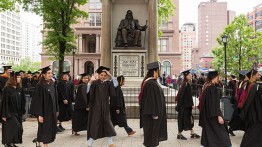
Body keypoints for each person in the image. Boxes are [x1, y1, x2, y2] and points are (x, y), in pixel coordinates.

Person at [87, 66, 118, 147]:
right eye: (101, 75)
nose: (103, 77)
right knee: (95, 125)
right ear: (98, 75)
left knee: (108, 124)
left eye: (104, 75)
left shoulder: (107, 83)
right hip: (96, 108)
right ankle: (89, 144)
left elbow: (116, 84)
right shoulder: (94, 83)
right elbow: (87, 92)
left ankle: (110, 143)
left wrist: (110, 75)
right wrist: (90, 81)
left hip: (105, 107)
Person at [199, 71, 231, 147]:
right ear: (214, 77)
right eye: (217, 77)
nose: (218, 79)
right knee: (221, 132)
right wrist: (219, 115)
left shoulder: (206, 86)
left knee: (210, 132)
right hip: (213, 115)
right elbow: (214, 104)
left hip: (207, 114)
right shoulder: (212, 88)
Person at [139, 61, 167, 147]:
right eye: (158, 71)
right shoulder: (151, 83)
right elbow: (150, 100)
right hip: (152, 116)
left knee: (152, 136)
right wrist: (154, 114)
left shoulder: (151, 82)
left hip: (153, 115)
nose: (159, 73)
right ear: (154, 72)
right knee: (151, 136)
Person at [30, 66, 59, 147]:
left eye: (51, 73)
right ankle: (45, 145)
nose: (51, 74)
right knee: (45, 128)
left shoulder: (52, 84)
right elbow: (37, 101)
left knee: (47, 128)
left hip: (52, 110)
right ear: (43, 75)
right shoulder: (40, 85)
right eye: (48, 73)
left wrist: (57, 109)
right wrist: (40, 114)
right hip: (44, 111)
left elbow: (55, 97)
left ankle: (38, 141)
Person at [1, 71, 25, 147]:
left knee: (19, 129)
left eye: (19, 77)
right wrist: (4, 114)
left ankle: (12, 143)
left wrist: (23, 111)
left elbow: (23, 101)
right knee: (15, 127)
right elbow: (4, 102)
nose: (19, 78)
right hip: (9, 113)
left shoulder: (19, 89)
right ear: (12, 79)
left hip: (18, 113)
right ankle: (8, 143)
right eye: (17, 77)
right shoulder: (7, 89)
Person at [239, 69, 262, 147]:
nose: (259, 76)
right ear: (254, 75)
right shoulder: (256, 87)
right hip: (255, 113)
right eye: (258, 74)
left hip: (250, 112)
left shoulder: (248, 84)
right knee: (253, 133)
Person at [175, 69, 200, 140]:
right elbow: (185, 96)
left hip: (186, 106)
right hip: (184, 106)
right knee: (183, 119)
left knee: (189, 119)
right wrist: (191, 104)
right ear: (186, 76)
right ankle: (179, 134)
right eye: (189, 75)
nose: (191, 75)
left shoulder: (186, 83)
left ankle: (192, 133)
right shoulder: (186, 84)